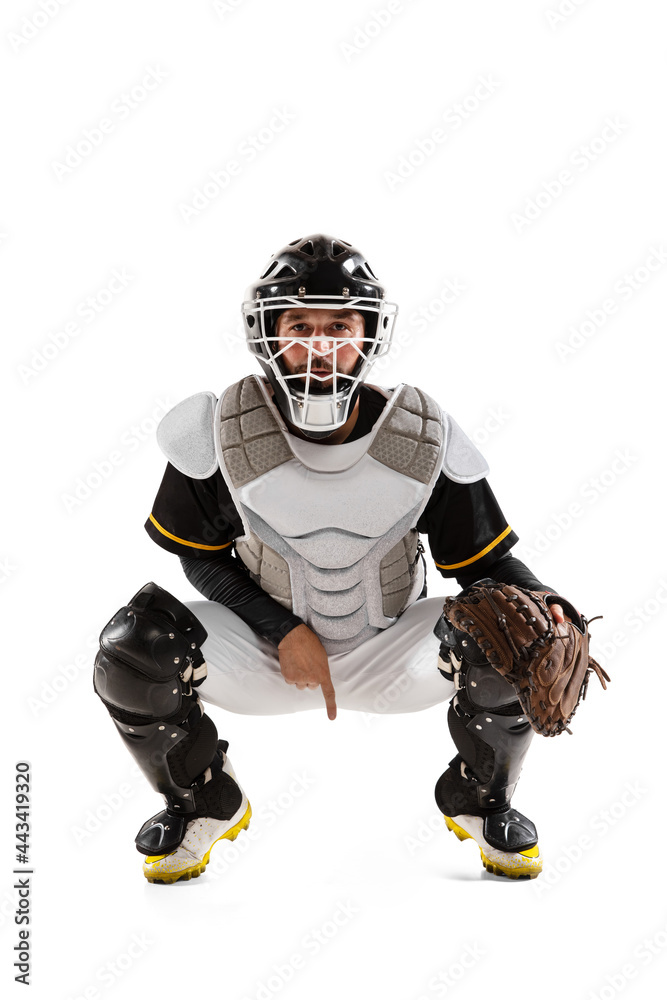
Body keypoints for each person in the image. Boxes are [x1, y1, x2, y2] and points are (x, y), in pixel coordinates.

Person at [93, 234, 572, 884]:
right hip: (267, 657)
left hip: (392, 651)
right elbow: (201, 560)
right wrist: (282, 630)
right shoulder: (219, 428)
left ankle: (481, 800)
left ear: (369, 332)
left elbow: (480, 563)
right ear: (266, 331)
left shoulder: (420, 433)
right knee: (133, 646)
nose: (320, 345)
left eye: (339, 325)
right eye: (299, 324)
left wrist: (547, 606)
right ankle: (201, 798)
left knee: (508, 627)